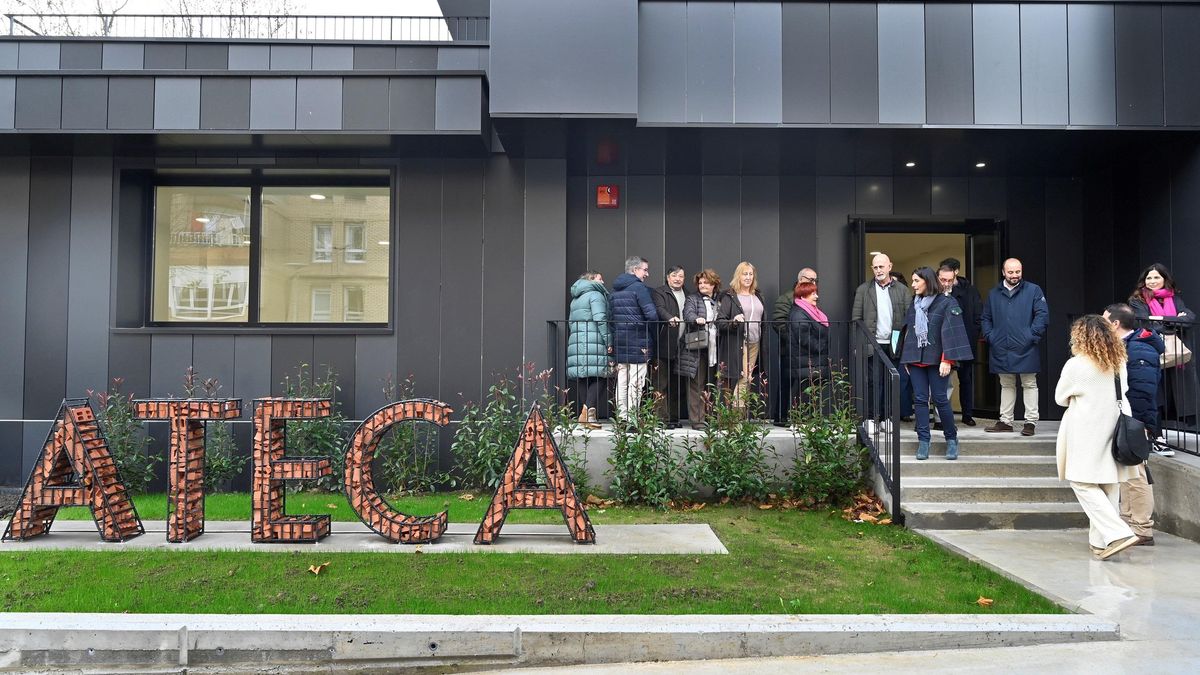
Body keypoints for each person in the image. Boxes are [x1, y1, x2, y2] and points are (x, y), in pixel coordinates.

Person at [1054, 315, 1141, 560]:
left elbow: (1060, 398)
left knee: (1081, 481)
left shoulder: (1076, 365)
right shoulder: (1118, 361)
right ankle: (1101, 543)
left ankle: (1117, 533)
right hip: (1114, 426)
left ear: (1080, 337)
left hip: (1086, 428)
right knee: (1108, 483)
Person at [1104, 303, 1164, 547]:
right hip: (1129, 420)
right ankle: (1129, 523)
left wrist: (1136, 425)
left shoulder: (1138, 350)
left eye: (1105, 321)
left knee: (1137, 475)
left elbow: (1141, 392)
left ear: (1116, 324)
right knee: (1128, 475)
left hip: (1135, 421)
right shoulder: (1128, 346)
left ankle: (1141, 528)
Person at [900, 267, 974, 461]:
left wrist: (947, 359)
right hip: (916, 359)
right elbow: (909, 331)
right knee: (920, 399)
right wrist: (907, 358)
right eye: (913, 281)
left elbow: (952, 332)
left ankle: (951, 439)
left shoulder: (947, 302)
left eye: (916, 281)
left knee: (941, 399)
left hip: (938, 359)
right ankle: (924, 441)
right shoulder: (914, 303)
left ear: (927, 281)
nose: (913, 285)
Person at [1129, 263, 1197, 443]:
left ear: (1165, 279)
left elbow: (1190, 318)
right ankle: (1157, 435)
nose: (1152, 281)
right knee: (1155, 394)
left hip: (1174, 356)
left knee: (1174, 393)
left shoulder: (1174, 298)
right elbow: (1145, 324)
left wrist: (1161, 318)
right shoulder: (1137, 300)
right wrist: (1175, 321)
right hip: (1151, 354)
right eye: (1148, 278)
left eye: (1156, 277)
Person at [982, 258, 1048, 436]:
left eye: (1017, 271)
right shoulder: (994, 293)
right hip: (1001, 346)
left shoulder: (1033, 290)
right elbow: (985, 318)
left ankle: (1030, 422)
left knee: (1029, 384)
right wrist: (991, 336)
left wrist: (1031, 335)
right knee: (1006, 384)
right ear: (1003, 272)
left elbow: (1042, 314)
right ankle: (1005, 421)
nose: (1014, 275)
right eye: (1010, 272)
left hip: (1026, 346)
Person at [851, 253, 914, 422]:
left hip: (895, 344)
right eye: (875, 267)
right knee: (873, 382)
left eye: (881, 266)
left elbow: (910, 319)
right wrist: (859, 344)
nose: (878, 270)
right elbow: (856, 319)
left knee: (892, 383)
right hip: (873, 343)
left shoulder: (902, 290)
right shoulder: (864, 289)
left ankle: (887, 419)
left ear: (890, 267)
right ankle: (872, 418)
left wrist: (908, 346)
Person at [609, 256, 658, 420]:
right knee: (636, 382)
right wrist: (652, 335)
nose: (647, 274)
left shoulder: (616, 290)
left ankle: (621, 417)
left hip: (620, 340)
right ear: (635, 270)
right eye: (644, 269)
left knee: (622, 380)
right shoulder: (639, 288)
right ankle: (632, 419)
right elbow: (651, 315)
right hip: (639, 341)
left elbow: (611, 318)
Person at [938, 259, 983, 426]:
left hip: (966, 342)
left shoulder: (970, 291)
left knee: (966, 380)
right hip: (945, 343)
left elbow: (978, 315)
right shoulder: (937, 291)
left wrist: (973, 336)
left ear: (956, 272)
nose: (946, 282)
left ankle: (967, 414)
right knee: (944, 381)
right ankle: (942, 417)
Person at [773, 268, 818, 425]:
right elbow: (778, 323)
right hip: (789, 350)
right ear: (800, 279)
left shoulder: (812, 298)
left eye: (815, 280)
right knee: (786, 383)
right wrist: (795, 340)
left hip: (807, 351)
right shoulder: (786, 298)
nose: (813, 283)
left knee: (806, 383)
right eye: (810, 279)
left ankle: (803, 417)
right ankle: (780, 417)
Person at [717, 261, 765, 406]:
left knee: (748, 378)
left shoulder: (757, 295)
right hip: (739, 342)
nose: (748, 277)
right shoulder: (730, 296)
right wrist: (734, 321)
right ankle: (736, 418)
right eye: (745, 274)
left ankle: (737, 416)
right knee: (743, 378)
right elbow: (720, 321)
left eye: (751, 274)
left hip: (755, 343)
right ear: (738, 275)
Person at [566, 271, 610, 424]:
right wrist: (608, 341)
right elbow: (601, 319)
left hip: (577, 341)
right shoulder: (596, 295)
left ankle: (586, 416)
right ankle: (587, 412)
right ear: (591, 280)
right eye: (600, 278)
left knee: (584, 377)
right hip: (595, 339)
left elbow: (571, 323)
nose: (603, 281)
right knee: (602, 376)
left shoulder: (576, 299)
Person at [681, 269, 722, 429]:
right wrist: (696, 319)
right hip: (697, 348)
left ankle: (712, 418)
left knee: (713, 384)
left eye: (706, 282)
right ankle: (698, 421)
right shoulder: (693, 298)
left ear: (714, 284)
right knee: (696, 385)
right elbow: (688, 314)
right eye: (700, 283)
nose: (702, 285)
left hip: (716, 347)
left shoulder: (721, 299)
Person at [651, 266, 688, 429]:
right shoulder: (660, 292)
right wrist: (669, 318)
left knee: (677, 385)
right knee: (661, 383)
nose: (678, 279)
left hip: (682, 345)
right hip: (664, 344)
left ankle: (673, 418)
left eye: (681, 276)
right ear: (668, 277)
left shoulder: (688, 293)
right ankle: (661, 419)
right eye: (675, 275)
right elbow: (659, 309)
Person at [787, 280, 831, 412]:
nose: (816, 296)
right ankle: (800, 421)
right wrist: (821, 346)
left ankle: (806, 419)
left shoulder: (810, 311)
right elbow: (804, 338)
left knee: (810, 392)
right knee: (804, 392)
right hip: (805, 360)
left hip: (810, 360)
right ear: (803, 296)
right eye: (813, 294)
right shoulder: (799, 313)